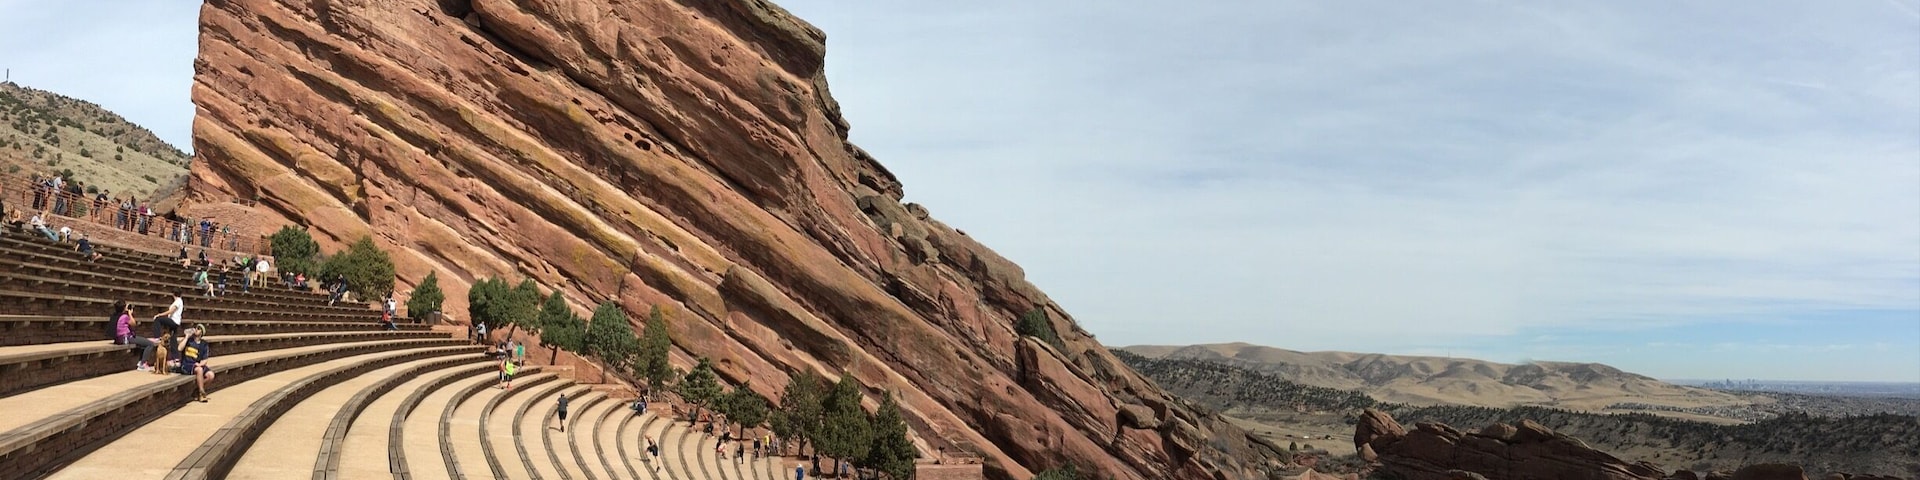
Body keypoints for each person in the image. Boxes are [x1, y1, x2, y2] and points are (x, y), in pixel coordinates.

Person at [113, 301, 162, 372]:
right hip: (126, 338)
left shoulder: (117, 315)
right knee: (150, 344)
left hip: (120, 338)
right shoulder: (125, 316)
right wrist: (130, 314)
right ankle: (142, 364)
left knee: (143, 343)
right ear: (124, 308)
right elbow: (133, 323)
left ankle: (141, 362)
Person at [179, 325, 214, 402]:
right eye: (196, 327)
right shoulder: (189, 340)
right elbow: (180, 348)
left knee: (211, 375)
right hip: (187, 365)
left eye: (198, 328)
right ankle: (201, 393)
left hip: (197, 364)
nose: (196, 329)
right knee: (199, 370)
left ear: (202, 332)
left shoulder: (204, 344)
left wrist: (200, 364)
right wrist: (187, 337)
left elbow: (205, 359)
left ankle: (197, 391)